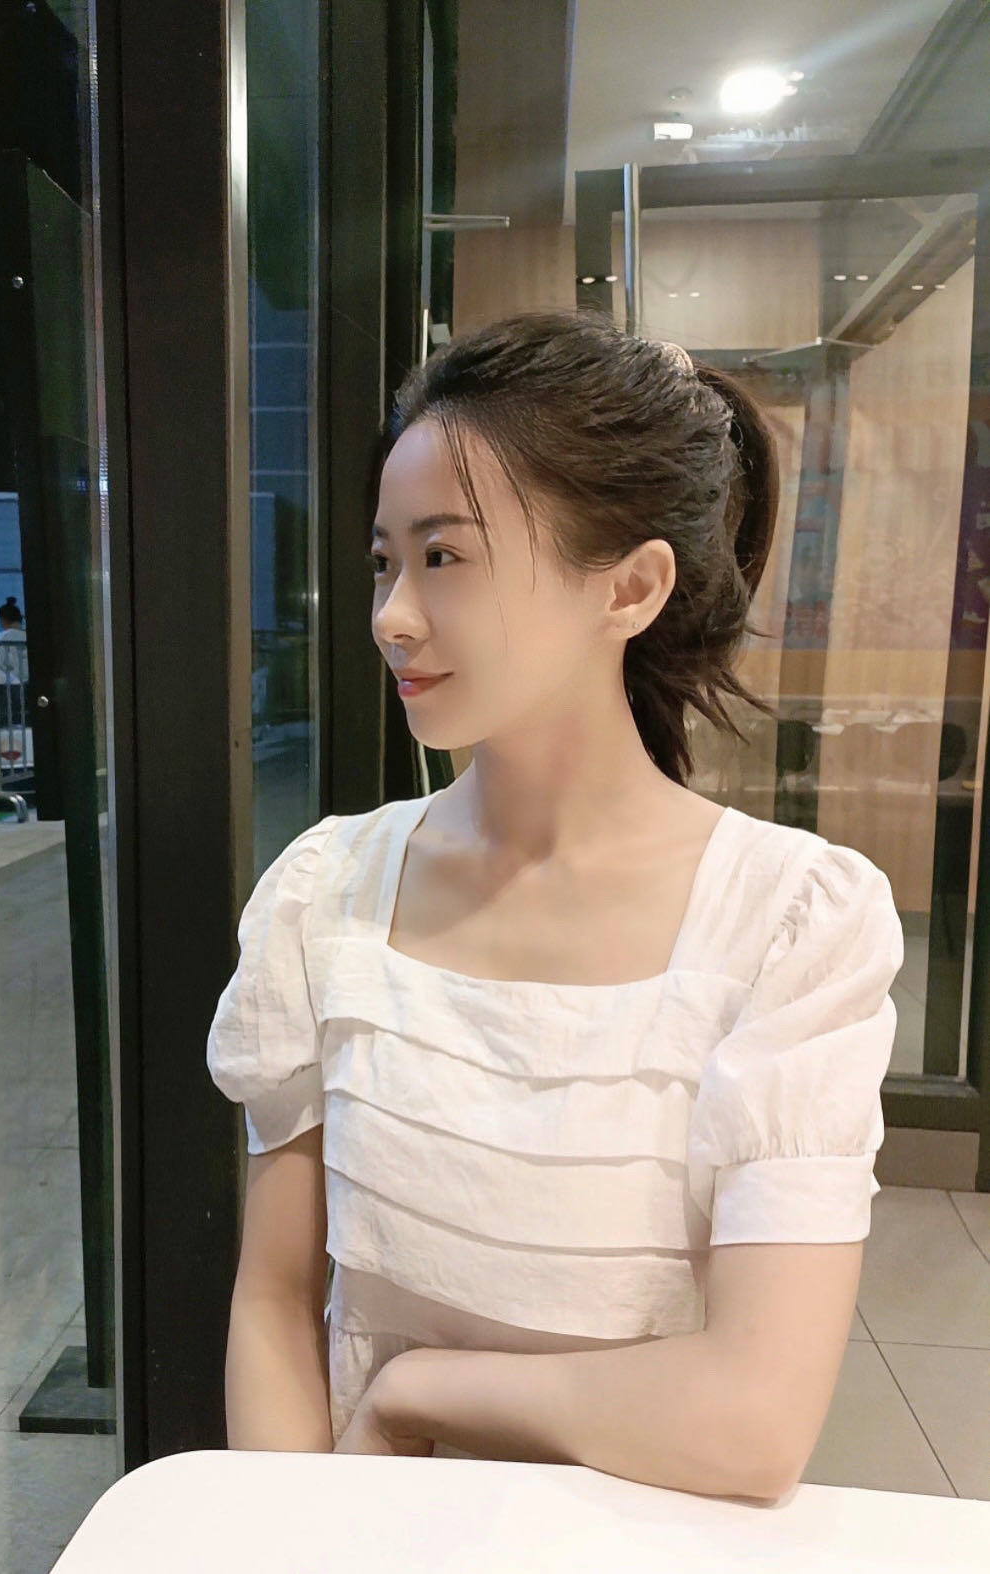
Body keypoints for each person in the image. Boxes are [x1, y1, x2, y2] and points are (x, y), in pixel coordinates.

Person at [206, 311, 904, 1501]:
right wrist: (302, 1540)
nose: (391, 615)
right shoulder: (326, 893)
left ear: (630, 587)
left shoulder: (789, 922)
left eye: (443, 556)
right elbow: (273, 1297)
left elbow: (754, 1419)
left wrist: (421, 1386)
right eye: (383, 560)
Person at [0, 596, 29, 727]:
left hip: (12, 690)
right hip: (29, 687)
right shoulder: (28, 635)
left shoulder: (4, 638)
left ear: (2, 620)